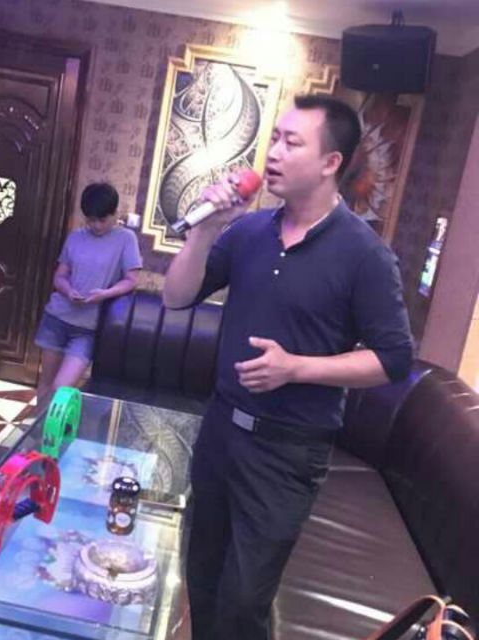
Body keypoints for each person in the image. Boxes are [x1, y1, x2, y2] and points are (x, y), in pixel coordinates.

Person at [163, 94, 413, 640]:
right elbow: (175, 297)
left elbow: (394, 360)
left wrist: (296, 367)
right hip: (221, 430)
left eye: (291, 142)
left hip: (288, 451)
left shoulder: (366, 255)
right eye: (274, 138)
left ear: (330, 163)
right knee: (201, 579)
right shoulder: (248, 232)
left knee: (244, 601)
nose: (272, 152)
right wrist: (206, 229)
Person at [35, 182, 142, 412]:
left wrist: (105, 294)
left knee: (60, 389)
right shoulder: (75, 237)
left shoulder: (126, 239)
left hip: (87, 329)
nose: (95, 225)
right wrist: (68, 290)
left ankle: (51, 432)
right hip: (57, 319)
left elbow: (132, 280)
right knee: (45, 385)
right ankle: (37, 432)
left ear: (115, 213)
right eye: (90, 219)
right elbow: (59, 276)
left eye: (102, 220)